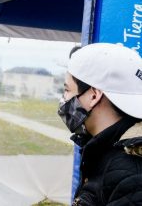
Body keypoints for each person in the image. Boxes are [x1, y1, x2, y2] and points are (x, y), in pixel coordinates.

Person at [58, 43, 142, 205]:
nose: (64, 99)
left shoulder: (132, 177)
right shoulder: (106, 149)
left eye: (67, 90)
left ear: (94, 95)